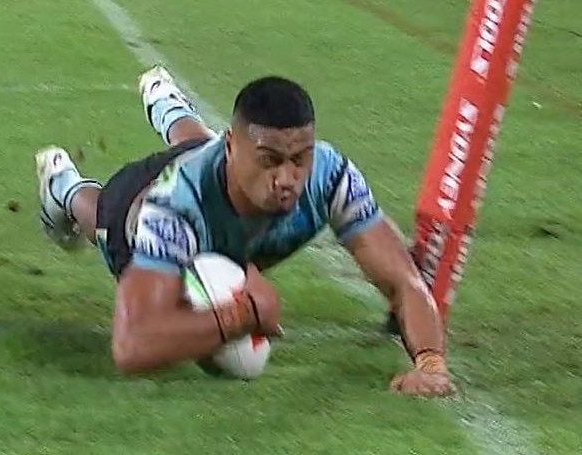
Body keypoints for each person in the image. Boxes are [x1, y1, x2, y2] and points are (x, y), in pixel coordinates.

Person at [35, 65, 455, 396]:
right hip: (136, 216)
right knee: (102, 217)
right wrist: (240, 317)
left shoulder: (329, 174)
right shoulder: (172, 208)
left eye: (299, 159)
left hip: (213, 173)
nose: (289, 177)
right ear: (234, 146)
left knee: (200, 148)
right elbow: (131, 347)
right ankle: (63, 186)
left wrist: (430, 363)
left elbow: (404, 281)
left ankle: (167, 102)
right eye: (271, 160)